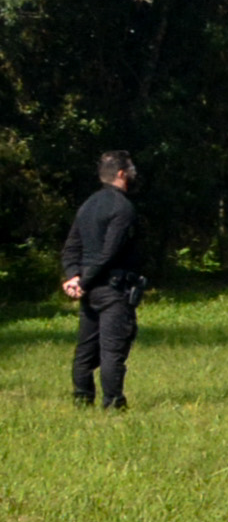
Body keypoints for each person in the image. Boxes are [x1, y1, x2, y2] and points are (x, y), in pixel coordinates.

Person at [61, 150, 145, 410]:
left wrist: (74, 276)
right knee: (112, 351)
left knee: (85, 350)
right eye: (131, 169)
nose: (134, 173)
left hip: (90, 292)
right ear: (121, 174)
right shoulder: (123, 208)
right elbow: (110, 252)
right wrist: (83, 281)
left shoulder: (87, 205)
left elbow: (71, 247)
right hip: (113, 290)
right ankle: (113, 404)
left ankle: (82, 399)